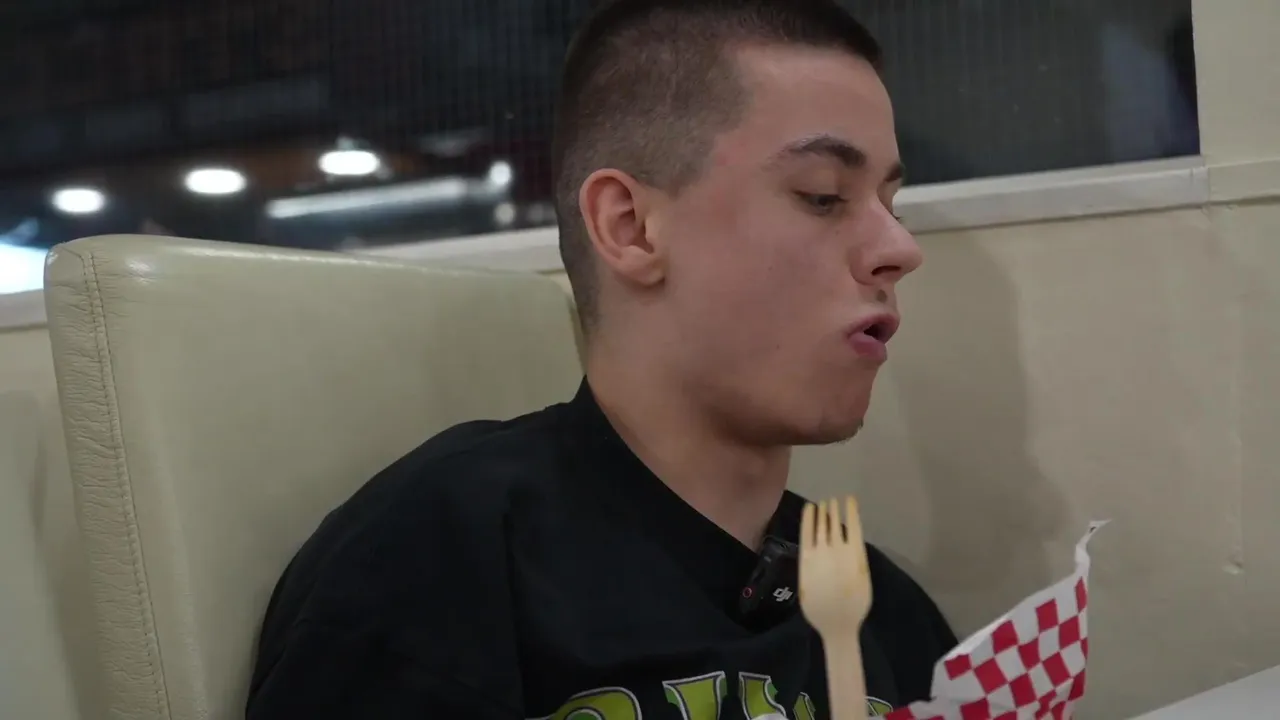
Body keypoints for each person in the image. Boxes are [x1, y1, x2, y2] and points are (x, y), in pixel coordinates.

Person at [246, 0, 957, 717]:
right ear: (630, 227)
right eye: (823, 196)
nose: (899, 248)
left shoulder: (879, 614)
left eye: (890, 203)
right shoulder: (446, 554)